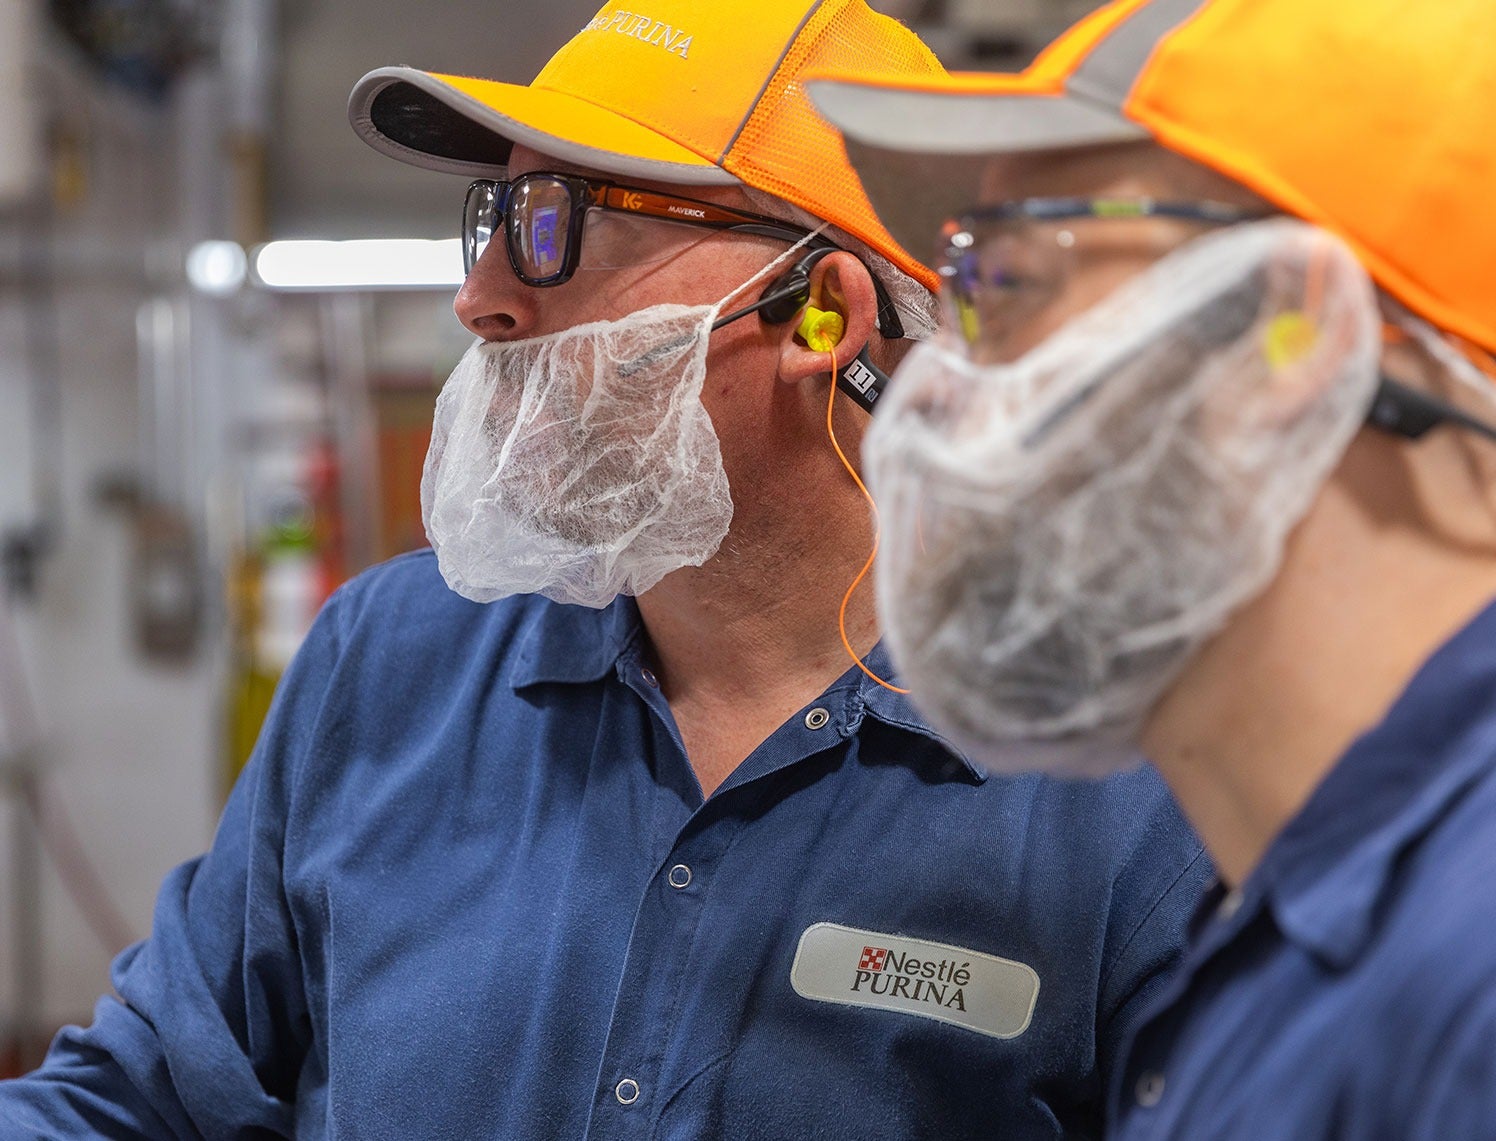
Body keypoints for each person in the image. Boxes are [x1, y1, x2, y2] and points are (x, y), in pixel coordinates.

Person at [0, 1, 1209, 1137]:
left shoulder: (1126, 782)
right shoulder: (389, 662)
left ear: (820, 316)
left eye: (555, 228)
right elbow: (139, 1098)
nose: (479, 300)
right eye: (495, 218)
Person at [809, 0, 1496, 1136]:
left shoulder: (1463, 978)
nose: (933, 386)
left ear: (1292, 332)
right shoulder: (1288, 933)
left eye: (1001, 284)